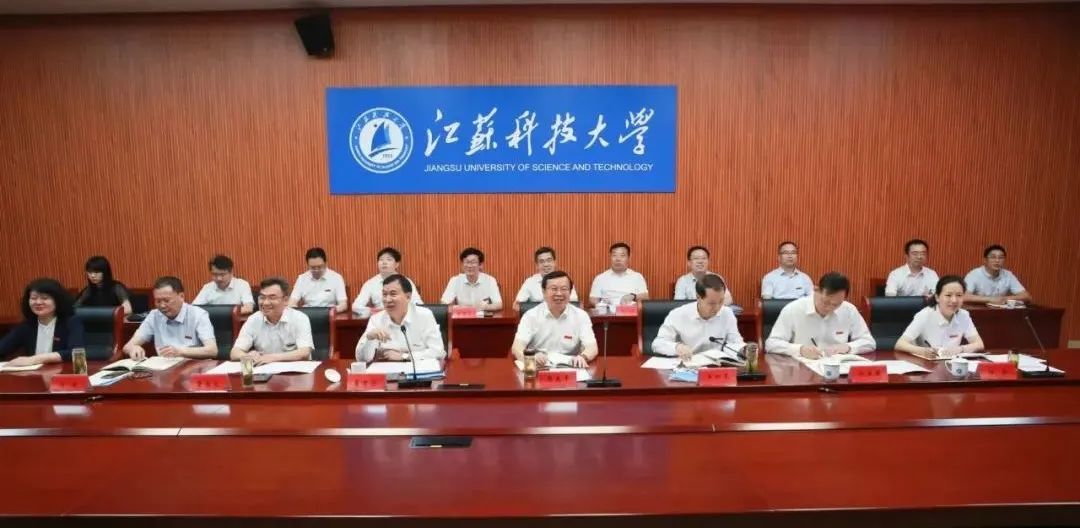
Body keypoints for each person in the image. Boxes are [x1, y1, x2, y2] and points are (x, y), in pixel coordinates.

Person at [765, 272, 876, 358]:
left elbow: (869, 342)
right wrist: (800, 349)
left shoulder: (849, 310)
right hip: (802, 369)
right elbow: (771, 344)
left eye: (836, 304)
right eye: (826, 302)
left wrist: (847, 347)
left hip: (837, 368)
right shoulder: (793, 309)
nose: (830, 308)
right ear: (816, 290)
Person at [512, 271, 597, 368]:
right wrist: (530, 358)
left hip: (570, 367)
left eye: (564, 289)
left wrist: (583, 357)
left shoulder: (581, 316)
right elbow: (517, 347)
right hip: (539, 367)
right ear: (544, 292)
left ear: (570, 292)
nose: (559, 293)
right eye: (554, 289)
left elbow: (592, 347)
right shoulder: (530, 316)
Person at [122, 277, 216, 360]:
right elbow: (127, 346)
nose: (162, 306)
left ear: (181, 296)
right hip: (163, 368)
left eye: (167, 300)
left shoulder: (198, 314)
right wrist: (133, 348)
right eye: (158, 301)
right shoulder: (154, 316)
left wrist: (180, 352)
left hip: (192, 367)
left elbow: (212, 350)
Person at [356, 274, 445, 362]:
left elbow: (438, 351)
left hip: (419, 369)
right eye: (384, 294)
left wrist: (405, 356)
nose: (387, 299)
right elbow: (362, 359)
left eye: (393, 294)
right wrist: (369, 338)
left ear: (408, 297)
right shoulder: (376, 319)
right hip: (388, 369)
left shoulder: (424, 316)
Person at [652, 274, 743, 360]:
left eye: (721, 301)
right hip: (688, 365)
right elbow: (657, 344)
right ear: (698, 298)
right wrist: (677, 347)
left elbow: (735, 342)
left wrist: (743, 350)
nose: (718, 307)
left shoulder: (727, 313)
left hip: (716, 365)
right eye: (712, 303)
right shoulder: (678, 314)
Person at [895, 275, 984, 359]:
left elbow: (979, 344)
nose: (954, 300)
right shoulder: (925, 315)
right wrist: (922, 351)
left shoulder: (963, 315)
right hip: (926, 364)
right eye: (948, 295)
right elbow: (900, 344)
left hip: (951, 364)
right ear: (937, 297)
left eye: (959, 295)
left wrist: (959, 349)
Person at [0, 278, 84, 366]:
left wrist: (34, 359)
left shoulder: (71, 322)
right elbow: (3, 347)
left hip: (63, 372)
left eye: (44, 298)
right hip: (34, 373)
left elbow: (75, 352)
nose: (38, 302)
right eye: (33, 298)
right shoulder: (27, 325)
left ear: (57, 300)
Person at [231, 278, 313, 363]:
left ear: (285, 300)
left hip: (295, 369)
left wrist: (271, 358)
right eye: (262, 297)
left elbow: (304, 352)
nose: (265, 303)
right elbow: (234, 352)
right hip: (264, 368)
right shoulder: (253, 319)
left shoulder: (299, 318)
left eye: (272, 298)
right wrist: (249, 357)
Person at [352, 247, 422, 314]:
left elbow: (418, 304)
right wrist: (373, 311)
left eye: (389, 259)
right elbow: (356, 306)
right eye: (381, 259)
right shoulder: (370, 283)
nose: (384, 262)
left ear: (397, 264)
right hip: (381, 318)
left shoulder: (406, 281)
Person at [513, 246, 579, 310]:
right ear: (537, 265)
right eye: (541, 261)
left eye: (549, 260)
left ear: (554, 262)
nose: (546, 264)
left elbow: (574, 304)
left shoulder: (565, 280)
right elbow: (517, 305)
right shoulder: (530, 282)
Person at [964, 245, 1032, 305]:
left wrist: (1004, 299)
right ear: (985, 260)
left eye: (1001, 257)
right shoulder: (974, 274)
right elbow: (964, 296)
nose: (997, 260)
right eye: (993, 257)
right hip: (978, 311)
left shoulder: (1008, 275)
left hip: (1000, 312)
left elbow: (1026, 296)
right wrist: (991, 299)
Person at [589, 242, 649, 307]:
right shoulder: (600, 278)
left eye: (622, 255)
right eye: (614, 255)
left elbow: (645, 297)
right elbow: (593, 299)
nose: (618, 259)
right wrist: (602, 302)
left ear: (628, 258)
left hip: (629, 311)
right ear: (610, 257)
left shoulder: (637, 277)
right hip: (607, 311)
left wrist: (633, 296)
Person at [289, 247, 347, 312]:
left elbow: (343, 304)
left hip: (329, 314)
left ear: (326, 263)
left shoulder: (336, 278)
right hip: (307, 314)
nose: (316, 270)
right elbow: (292, 302)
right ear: (307, 265)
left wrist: (332, 311)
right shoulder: (302, 279)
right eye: (313, 267)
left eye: (320, 267)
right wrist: (296, 312)